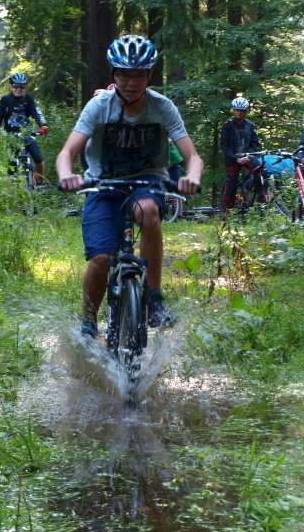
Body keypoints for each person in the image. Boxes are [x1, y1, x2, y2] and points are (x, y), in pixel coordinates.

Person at [57, 35, 203, 338]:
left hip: (147, 180)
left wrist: (192, 176)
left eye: (139, 75)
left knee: (148, 211)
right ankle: (88, 321)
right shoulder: (99, 106)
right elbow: (68, 151)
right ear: (114, 74)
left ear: (149, 75)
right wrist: (66, 174)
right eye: (124, 74)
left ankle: (154, 298)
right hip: (102, 184)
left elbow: (192, 156)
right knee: (101, 259)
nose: (131, 82)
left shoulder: (162, 107)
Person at [0, 73, 49, 182]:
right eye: (16, 86)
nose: (19, 89)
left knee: (38, 159)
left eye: (22, 87)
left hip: (27, 134)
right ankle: (12, 191)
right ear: (11, 87)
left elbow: (37, 113)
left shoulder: (28, 99)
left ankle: (41, 184)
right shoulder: (5, 100)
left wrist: (43, 125)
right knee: (11, 168)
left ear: (25, 88)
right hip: (11, 136)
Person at [219, 97, 264, 215]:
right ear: (233, 110)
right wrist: (236, 158)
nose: (239, 113)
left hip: (247, 156)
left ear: (245, 111)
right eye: (237, 110)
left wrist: (248, 156)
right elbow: (224, 145)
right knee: (231, 185)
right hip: (233, 158)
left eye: (241, 110)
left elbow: (254, 143)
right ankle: (226, 214)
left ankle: (261, 199)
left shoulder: (250, 125)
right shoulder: (227, 125)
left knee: (260, 170)